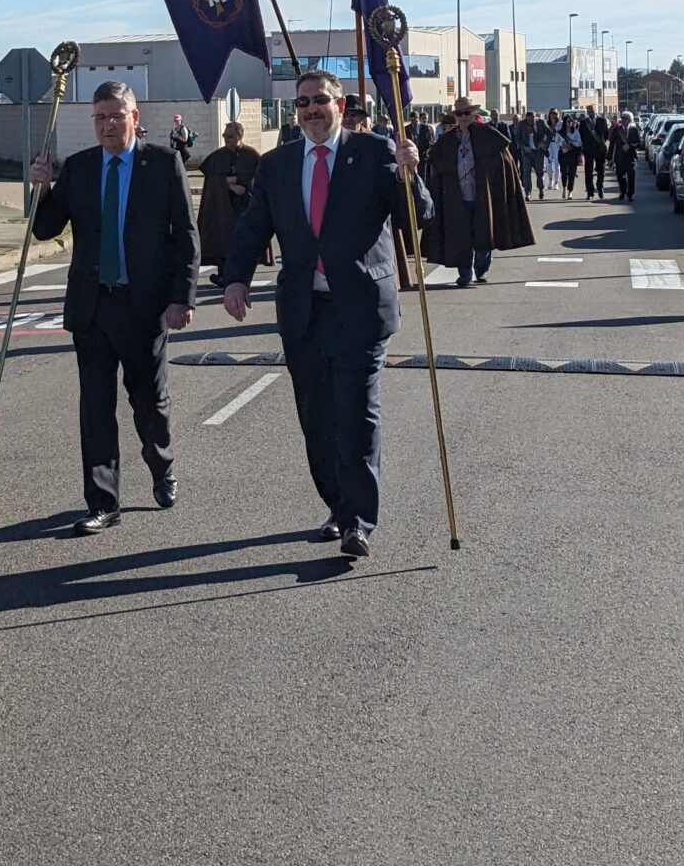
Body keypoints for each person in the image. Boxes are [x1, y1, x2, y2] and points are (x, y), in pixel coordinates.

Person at [220, 69, 431, 560]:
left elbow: (417, 217)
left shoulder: (375, 152)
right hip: (304, 310)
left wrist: (410, 175)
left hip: (360, 307)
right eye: (303, 102)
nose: (312, 109)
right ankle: (338, 505)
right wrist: (235, 278)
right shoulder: (278, 164)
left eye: (320, 100)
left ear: (340, 104)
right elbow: (254, 226)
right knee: (317, 419)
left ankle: (359, 520)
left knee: (356, 415)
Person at [30, 82, 198, 534]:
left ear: (134, 118)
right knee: (95, 408)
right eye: (100, 117)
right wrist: (40, 189)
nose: (108, 125)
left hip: (143, 306)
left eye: (116, 116)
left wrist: (182, 297)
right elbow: (45, 229)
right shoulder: (80, 167)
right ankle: (103, 502)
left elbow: (186, 235)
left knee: (148, 403)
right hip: (93, 306)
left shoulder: (162, 163)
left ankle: (162, 466)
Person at [421, 98, 532, 286]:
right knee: (461, 237)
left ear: (473, 114)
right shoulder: (448, 140)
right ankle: (465, 274)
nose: (463, 117)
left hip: (483, 196)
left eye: (467, 113)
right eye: (459, 114)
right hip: (458, 199)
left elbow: (504, 163)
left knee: (483, 235)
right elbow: (437, 163)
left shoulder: (487, 135)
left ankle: (481, 269)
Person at [196, 120, 264, 283]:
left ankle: (241, 276)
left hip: (244, 207)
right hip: (222, 207)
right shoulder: (218, 156)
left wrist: (239, 181)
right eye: (224, 136)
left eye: (230, 136)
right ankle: (223, 274)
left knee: (243, 242)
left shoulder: (251, 155)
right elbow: (211, 177)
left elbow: (256, 177)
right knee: (222, 240)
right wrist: (228, 183)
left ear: (239, 136)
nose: (226, 139)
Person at [579, 107, 610, 199]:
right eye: (588, 111)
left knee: (601, 171)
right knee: (588, 172)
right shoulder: (583, 123)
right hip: (588, 150)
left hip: (600, 149)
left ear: (595, 111)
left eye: (592, 111)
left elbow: (606, 134)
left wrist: (602, 143)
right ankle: (590, 192)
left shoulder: (602, 121)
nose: (590, 113)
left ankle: (600, 188)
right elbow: (581, 135)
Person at [609, 114, 640, 201]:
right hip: (620, 157)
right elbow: (612, 144)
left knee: (631, 176)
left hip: (631, 157)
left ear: (629, 120)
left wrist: (630, 146)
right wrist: (609, 157)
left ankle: (630, 194)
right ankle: (622, 191)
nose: (623, 120)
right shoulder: (617, 130)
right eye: (622, 119)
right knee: (620, 175)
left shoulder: (634, 130)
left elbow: (639, 143)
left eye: (625, 119)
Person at [557, 115, 583, 198]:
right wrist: (562, 144)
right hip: (563, 153)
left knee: (572, 172)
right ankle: (564, 188)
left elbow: (579, 143)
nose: (570, 123)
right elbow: (556, 142)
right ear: (565, 122)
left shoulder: (575, 132)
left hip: (572, 153)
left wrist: (572, 142)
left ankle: (570, 191)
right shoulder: (560, 132)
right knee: (564, 172)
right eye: (568, 121)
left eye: (571, 121)